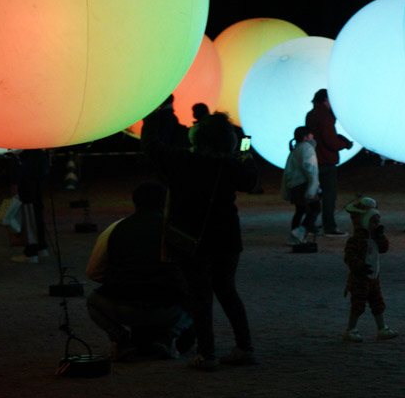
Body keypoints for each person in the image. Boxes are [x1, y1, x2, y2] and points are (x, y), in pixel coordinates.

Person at [147, 117, 259, 371]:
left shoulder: (181, 160)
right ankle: (245, 347)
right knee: (227, 291)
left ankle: (207, 354)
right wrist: (245, 153)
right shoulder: (231, 165)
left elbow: (151, 146)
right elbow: (251, 181)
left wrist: (156, 114)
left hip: (190, 238)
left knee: (200, 295)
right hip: (227, 237)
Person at [86, 181, 191, 360]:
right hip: (167, 307)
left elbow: (94, 272)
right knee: (201, 293)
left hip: (124, 306)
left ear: (135, 202)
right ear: (166, 204)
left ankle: (122, 340)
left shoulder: (115, 229)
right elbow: (193, 269)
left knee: (93, 301)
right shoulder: (176, 231)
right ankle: (168, 336)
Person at [343, 196, 397, 341]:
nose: (376, 224)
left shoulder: (374, 238)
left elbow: (384, 248)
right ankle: (351, 329)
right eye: (373, 221)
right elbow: (349, 257)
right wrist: (359, 267)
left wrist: (380, 236)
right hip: (360, 278)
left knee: (377, 303)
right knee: (358, 304)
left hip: (373, 277)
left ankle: (381, 328)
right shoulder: (356, 240)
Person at [306, 89, 353, 236]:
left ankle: (309, 225)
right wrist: (344, 144)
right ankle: (329, 227)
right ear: (326, 100)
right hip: (326, 161)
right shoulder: (325, 117)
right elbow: (330, 141)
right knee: (329, 196)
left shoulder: (311, 115)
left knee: (314, 195)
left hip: (314, 160)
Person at [10, 148, 50, 264]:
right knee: (37, 215)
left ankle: (31, 252)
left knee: (29, 218)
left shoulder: (20, 145)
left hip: (27, 185)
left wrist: (14, 182)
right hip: (37, 181)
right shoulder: (35, 143)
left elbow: (18, 163)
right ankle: (42, 246)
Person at [281, 126, 321, 243]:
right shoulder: (307, 148)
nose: (313, 137)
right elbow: (311, 169)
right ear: (306, 137)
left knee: (300, 210)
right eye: (311, 135)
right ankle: (300, 231)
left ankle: (294, 235)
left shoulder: (295, 149)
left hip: (295, 185)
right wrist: (313, 187)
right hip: (304, 185)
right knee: (315, 208)